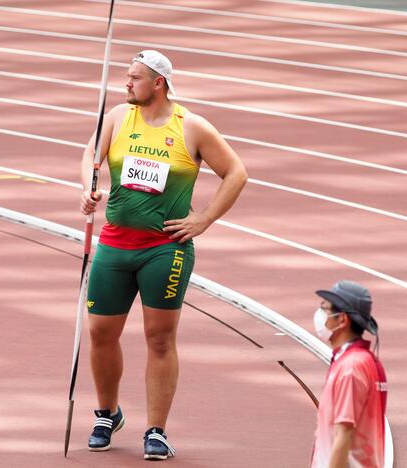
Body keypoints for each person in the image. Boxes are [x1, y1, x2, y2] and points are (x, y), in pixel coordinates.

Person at [80, 50, 247, 460]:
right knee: (100, 333)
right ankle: (107, 413)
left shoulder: (191, 127)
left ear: (159, 83)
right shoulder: (120, 117)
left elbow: (236, 173)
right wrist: (88, 188)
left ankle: (156, 430)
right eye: (126, 76)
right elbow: (90, 157)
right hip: (115, 245)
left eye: (134, 78)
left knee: (159, 338)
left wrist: (203, 219)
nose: (126, 83)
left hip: (163, 251)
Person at [311, 280, 388, 468]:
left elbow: (344, 434)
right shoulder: (363, 361)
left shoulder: (351, 368)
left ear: (343, 320)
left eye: (325, 309)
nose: (320, 315)